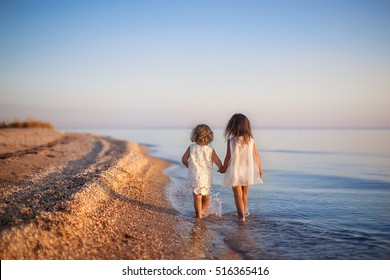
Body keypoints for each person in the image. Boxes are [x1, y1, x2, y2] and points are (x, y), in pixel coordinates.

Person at [220, 113, 263, 222]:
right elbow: (256, 155)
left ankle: (241, 217)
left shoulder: (231, 141)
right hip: (248, 170)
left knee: (237, 194)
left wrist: (223, 169)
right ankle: (243, 212)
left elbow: (227, 158)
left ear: (232, 126)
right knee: (244, 193)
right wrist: (259, 169)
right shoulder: (250, 140)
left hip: (235, 170)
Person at [182, 124, 223, 219]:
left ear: (195, 135)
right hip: (206, 177)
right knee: (206, 196)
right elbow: (217, 160)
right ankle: (205, 212)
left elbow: (184, 159)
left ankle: (199, 216)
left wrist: (189, 166)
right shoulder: (210, 149)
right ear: (209, 136)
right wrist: (221, 168)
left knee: (197, 196)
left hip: (194, 176)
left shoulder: (191, 147)